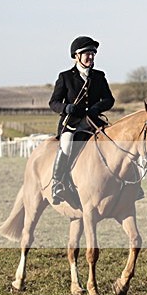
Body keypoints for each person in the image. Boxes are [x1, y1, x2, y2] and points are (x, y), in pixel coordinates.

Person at [48, 36, 115, 208]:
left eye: (93, 54)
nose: (91, 57)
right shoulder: (65, 77)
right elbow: (53, 103)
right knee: (67, 143)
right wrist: (66, 108)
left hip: (93, 122)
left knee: (114, 142)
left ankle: (124, 184)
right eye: (87, 54)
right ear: (76, 56)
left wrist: (96, 108)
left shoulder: (99, 76)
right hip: (72, 124)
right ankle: (58, 183)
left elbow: (109, 99)